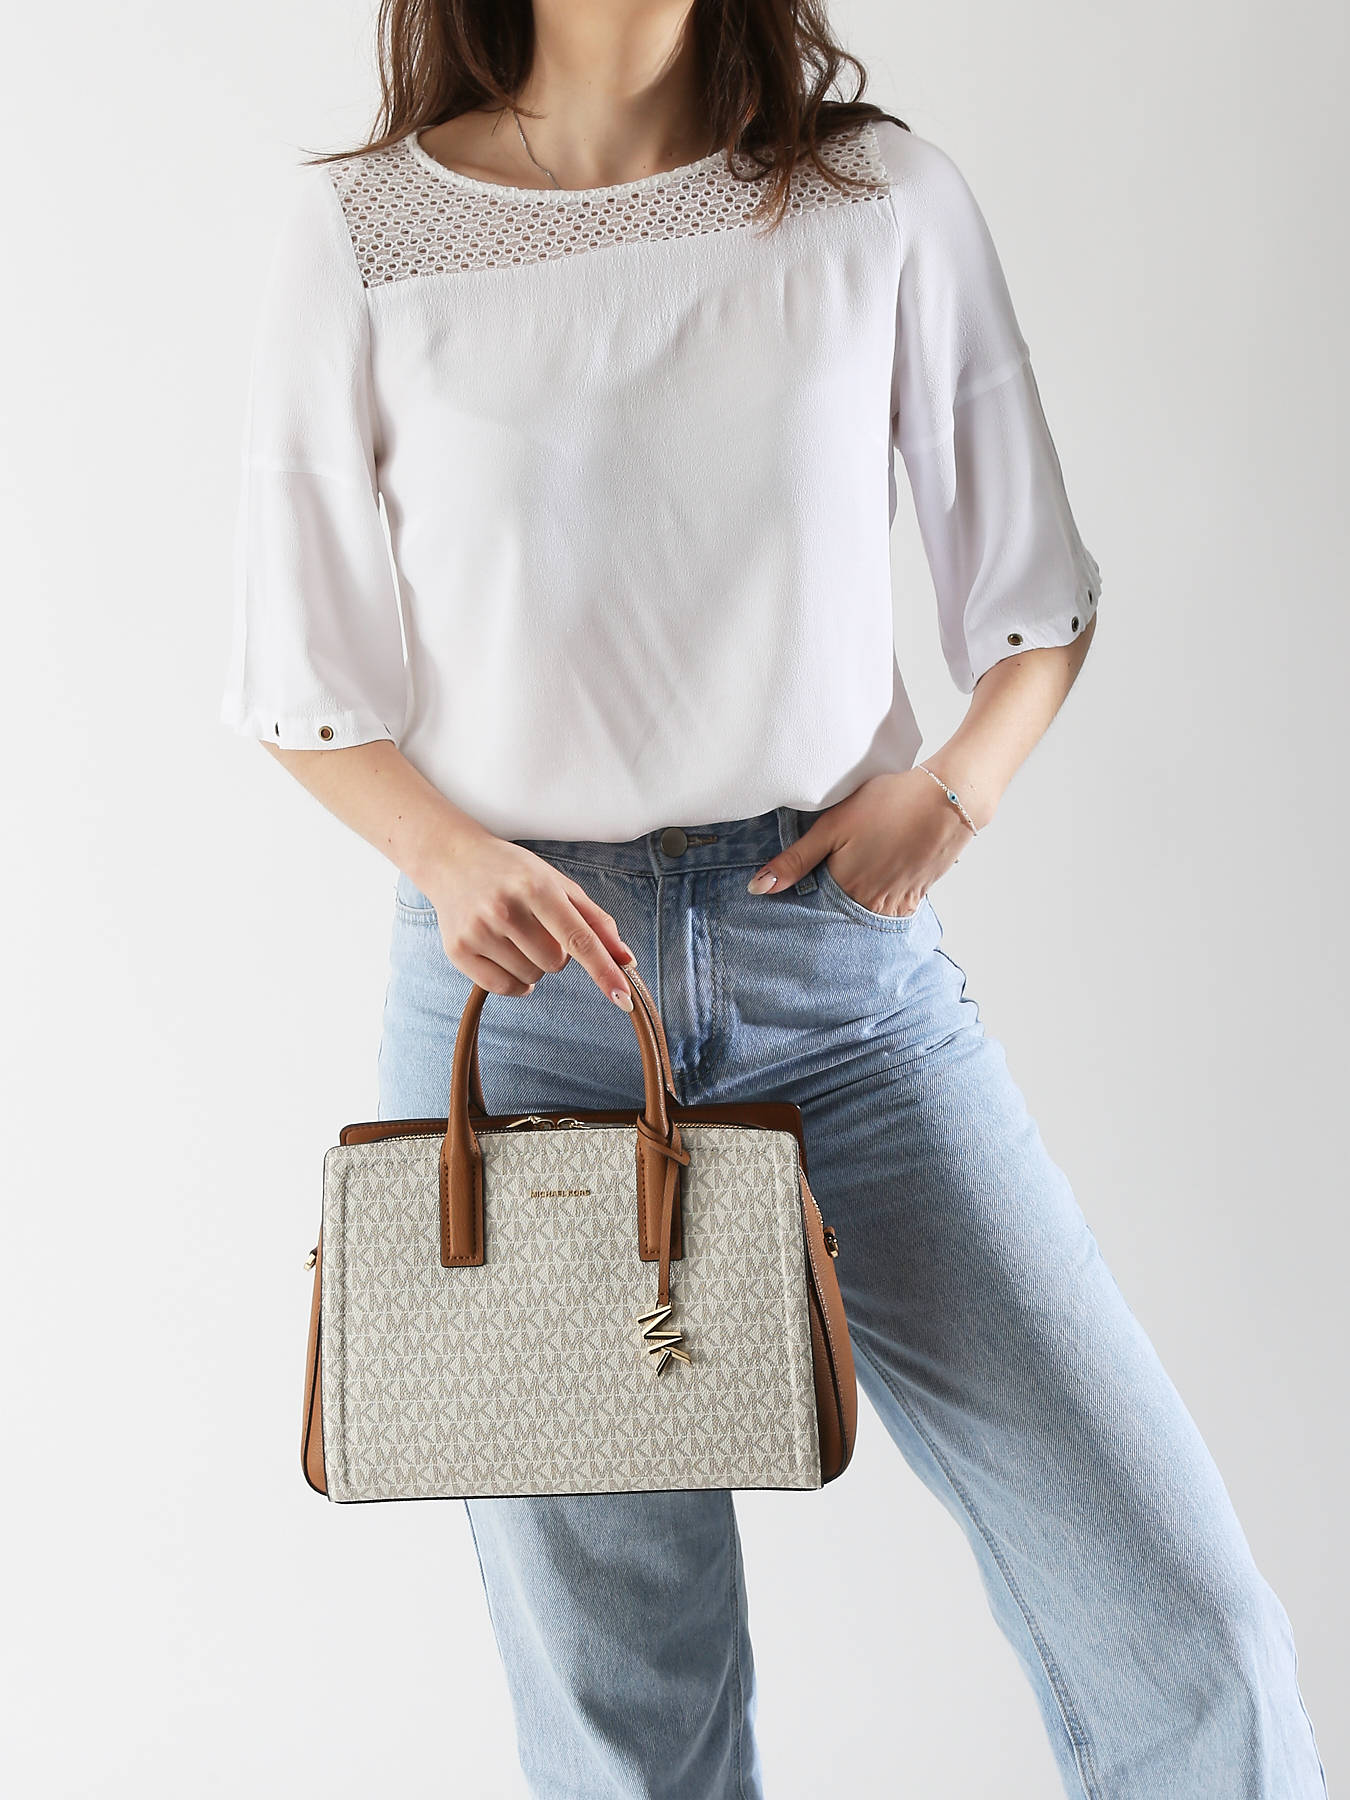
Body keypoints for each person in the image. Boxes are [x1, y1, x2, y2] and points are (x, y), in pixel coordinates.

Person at [219, 2, 1327, 1794]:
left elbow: (1034, 604)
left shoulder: (877, 198)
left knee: (1187, 1632)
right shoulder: (366, 233)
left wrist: (952, 794)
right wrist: (440, 850)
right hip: (526, 1023)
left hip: (846, 991)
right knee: (632, 1722)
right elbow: (298, 680)